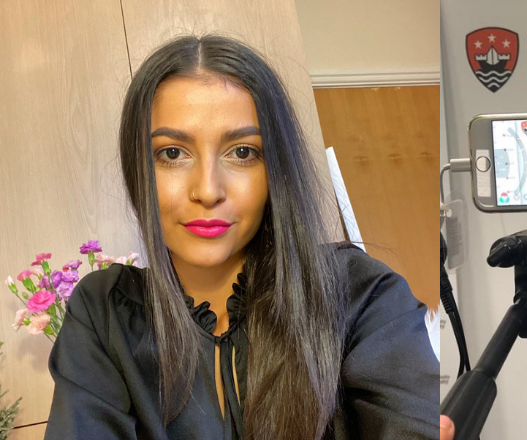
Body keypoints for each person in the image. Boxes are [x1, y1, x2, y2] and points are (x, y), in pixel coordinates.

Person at [44, 35, 439, 440]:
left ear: (275, 171)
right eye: (173, 153)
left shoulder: (360, 293)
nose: (208, 189)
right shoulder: (103, 312)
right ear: (138, 168)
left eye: (243, 152)